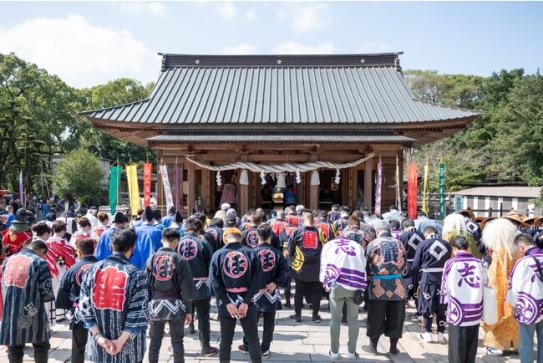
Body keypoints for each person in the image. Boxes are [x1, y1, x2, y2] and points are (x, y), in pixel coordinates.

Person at [79, 229, 149, 363]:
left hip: (99, 345)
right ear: (132, 247)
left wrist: (99, 337)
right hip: (129, 348)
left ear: (110, 247)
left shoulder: (92, 270)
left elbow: (83, 307)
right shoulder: (137, 275)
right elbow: (138, 314)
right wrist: (119, 342)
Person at [209, 227, 264, 363]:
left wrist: (227, 302)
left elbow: (214, 282)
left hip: (227, 301)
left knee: (226, 339)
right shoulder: (251, 253)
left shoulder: (218, 254)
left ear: (226, 238)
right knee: (252, 338)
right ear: (240, 238)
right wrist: (246, 301)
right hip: (247, 300)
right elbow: (258, 280)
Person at [146, 228, 198, 363]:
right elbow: (186, 288)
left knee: (155, 342)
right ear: (177, 241)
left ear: (162, 240)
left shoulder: (151, 258)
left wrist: (146, 309)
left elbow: (146, 286)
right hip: (176, 304)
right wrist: (189, 310)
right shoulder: (180, 259)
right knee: (177, 342)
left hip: (156, 304)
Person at [239, 223, 289, 357]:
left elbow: (245, 274)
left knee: (250, 320)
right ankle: (265, 348)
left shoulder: (250, 253)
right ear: (270, 237)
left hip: (252, 293)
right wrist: (275, 283)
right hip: (271, 292)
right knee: (269, 322)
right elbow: (285, 272)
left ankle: (247, 345)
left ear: (257, 236)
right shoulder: (277, 253)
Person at [0, 240, 54, 363]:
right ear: (41, 251)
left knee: (14, 346)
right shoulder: (39, 262)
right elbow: (47, 293)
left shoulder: (8, 260)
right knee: (41, 344)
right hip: (31, 309)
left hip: (10, 310)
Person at [440, 235, 486, 363]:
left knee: (457, 347)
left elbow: (445, 287)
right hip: (475, 309)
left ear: (454, 248)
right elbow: (485, 282)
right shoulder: (478, 262)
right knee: (471, 347)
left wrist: (443, 305)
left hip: (457, 312)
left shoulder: (450, 263)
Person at [320, 235, 367, 360]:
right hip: (354, 285)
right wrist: (362, 286)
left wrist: (325, 283)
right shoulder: (357, 246)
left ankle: (334, 352)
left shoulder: (330, 245)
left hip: (337, 285)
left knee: (335, 319)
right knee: (353, 320)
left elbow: (324, 265)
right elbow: (363, 265)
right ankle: (351, 352)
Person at [177, 217, 218, 356]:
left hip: (182, 287)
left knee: (179, 318)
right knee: (203, 318)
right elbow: (211, 267)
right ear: (200, 229)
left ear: (186, 228)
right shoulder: (203, 243)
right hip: (201, 285)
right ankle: (205, 347)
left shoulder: (177, 243)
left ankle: (178, 347)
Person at [365, 219, 406, 355]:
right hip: (397, 284)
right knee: (396, 316)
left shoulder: (373, 244)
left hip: (378, 284)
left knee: (376, 315)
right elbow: (404, 263)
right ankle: (393, 347)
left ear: (377, 231)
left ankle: (373, 346)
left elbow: (366, 263)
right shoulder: (399, 243)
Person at [55, 238, 98, 363]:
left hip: (79, 311)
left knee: (78, 346)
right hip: (100, 312)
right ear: (93, 249)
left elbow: (64, 289)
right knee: (101, 345)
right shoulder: (103, 266)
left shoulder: (73, 269)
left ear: (78, 251)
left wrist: (68, 307)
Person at [481, 217, 520, 355]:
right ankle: (515, 345)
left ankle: (497, 346)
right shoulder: (517, 249)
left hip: (502, 290)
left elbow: (496, 275)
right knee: (515, 320)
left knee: (499, 315)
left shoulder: (500, 251)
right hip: (517, 291)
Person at [411, 226, 452, 343]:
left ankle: (428, 333)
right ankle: (441, 333)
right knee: (442, 306)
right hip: (443, 279)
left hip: (427, 279)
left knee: (427, 305)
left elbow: (415, 265)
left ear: (426, 234)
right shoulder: (446, 244)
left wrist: (414, 277)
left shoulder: (423, 244)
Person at [507, 233, 543, 362]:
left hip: (528, 307)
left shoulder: (522, 262)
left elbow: (514, 287)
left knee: (526, 344)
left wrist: (513, 306)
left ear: (522, 246)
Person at [288, 210, 326, 323]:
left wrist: (290, 264)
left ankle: (298, 315)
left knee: (299, 291)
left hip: (300, 267)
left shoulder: (296, 231)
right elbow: (326, 248)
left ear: (302, 220)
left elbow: (290, 250)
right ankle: (315, 316)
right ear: (313, 220)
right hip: (316, 267)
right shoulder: (320, 232)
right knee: (316, 292)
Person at [398, 218, 424, 307]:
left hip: (407, 263)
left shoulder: (403, 235)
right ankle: (418, 305)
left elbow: (400, 251)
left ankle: (404, 302)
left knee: (406, 281)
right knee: (418, 283)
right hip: (420, 263)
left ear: (405, 227)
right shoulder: (422, 234)